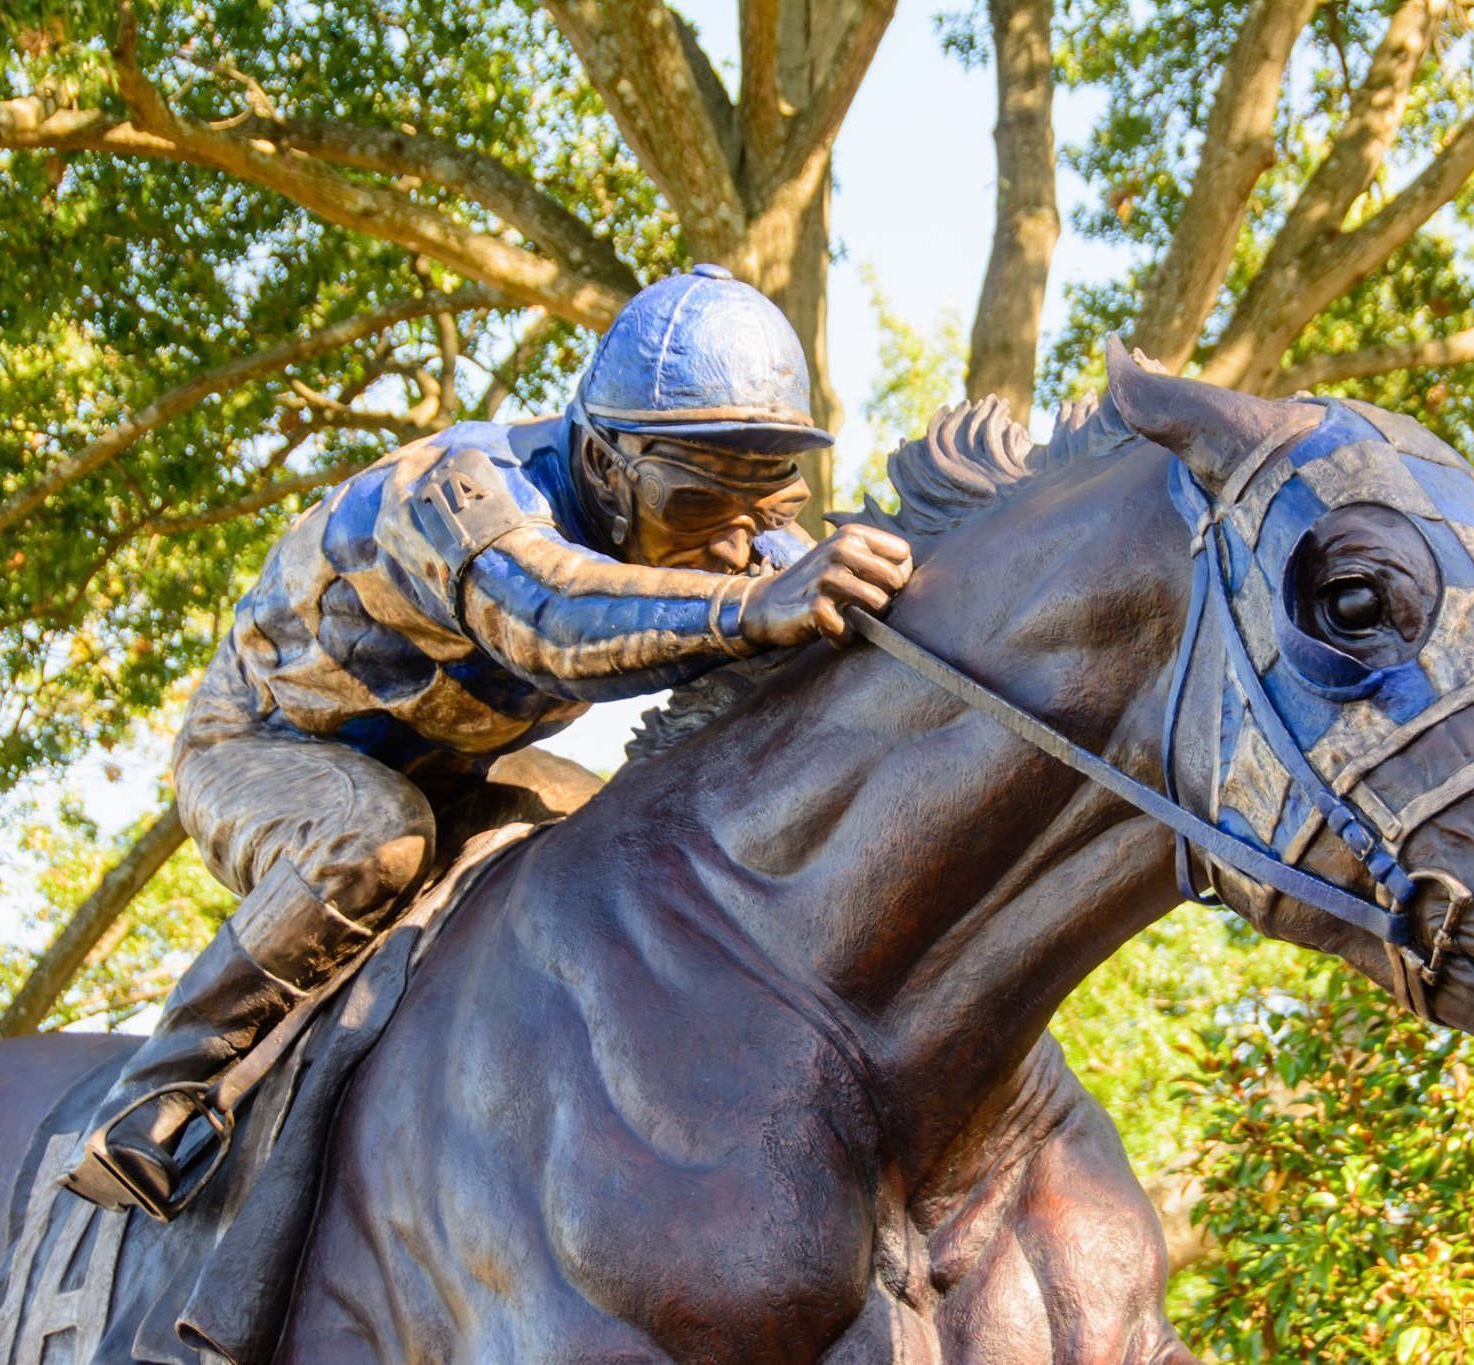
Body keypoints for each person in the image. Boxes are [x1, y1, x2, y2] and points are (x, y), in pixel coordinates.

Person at [61, 264, 913, 1220]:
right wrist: (759, 606)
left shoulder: (736, 526)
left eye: (772, 507)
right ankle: (158, 1091)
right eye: (695, 507)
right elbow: (551, 619)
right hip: (264, 748)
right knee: (374, 836)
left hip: (459, 763)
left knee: (621, 836)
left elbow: (811, 600)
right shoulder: (464, 492)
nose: (734, 545)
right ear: (601, 462)